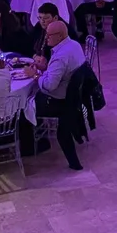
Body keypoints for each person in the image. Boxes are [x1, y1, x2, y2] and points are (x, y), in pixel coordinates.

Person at [23, 21, 86, 170]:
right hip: (73, 97)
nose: (46, 38)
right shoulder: (74, 45)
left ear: (60, 36)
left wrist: (34, 76)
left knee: (22, 104)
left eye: (49, 35)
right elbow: (60, 73)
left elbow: (49, 86)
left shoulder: (61, 56)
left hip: (59, 101)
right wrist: (45, 68)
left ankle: (29, 146)